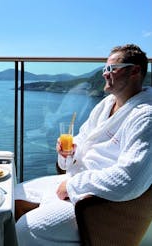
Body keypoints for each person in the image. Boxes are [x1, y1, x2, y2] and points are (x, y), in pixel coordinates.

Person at [14, 44, 152, 246]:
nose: (105, 74)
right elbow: (82, 138)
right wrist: (69, 151)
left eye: (112, 69)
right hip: (77, 181)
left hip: (99, 202)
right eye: (105, 69)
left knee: (27, 228)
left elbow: (130, 179)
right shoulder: (106, 104)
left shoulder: (145, 116)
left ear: (135, 71)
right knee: (13, 195)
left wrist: (72, 186)